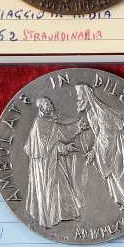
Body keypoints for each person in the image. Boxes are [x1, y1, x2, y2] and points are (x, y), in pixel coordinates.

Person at [74, 84, 124, 213]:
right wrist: (95, 150)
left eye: (80, 98)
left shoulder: (101, 112)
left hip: (116, 148)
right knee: (115, 176)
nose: (78, 101)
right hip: (106, 147)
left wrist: (95, 151)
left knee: (123, 174)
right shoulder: (91, 112)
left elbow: (107, 135)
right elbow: (100, 135)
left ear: (87, 98)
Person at [23, 96, 83, 229]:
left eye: (50, 102)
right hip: (44, 164)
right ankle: (49, 217)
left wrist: (78, 128)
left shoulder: (51, 120)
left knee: (61, 184)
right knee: (49, 186)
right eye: (48, 104)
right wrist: (65, 148)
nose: (51, 105)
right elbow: (45, 148)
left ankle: (65, 214)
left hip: (53, 160)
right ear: (42, 108)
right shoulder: (39, 124)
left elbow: (62, 134)